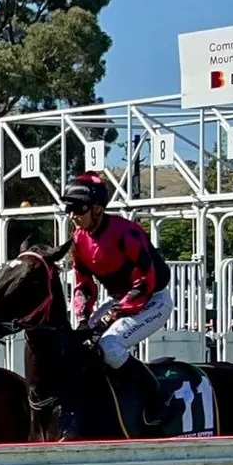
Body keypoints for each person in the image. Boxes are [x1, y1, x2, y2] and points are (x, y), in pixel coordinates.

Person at [62, 171, 176, 426]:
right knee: (80, 345)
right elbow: (83, 284)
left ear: (98, 210)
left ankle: (158, 398)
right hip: (120, 300)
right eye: (68, 209)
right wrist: (83, 318)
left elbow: (144, 284)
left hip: (152, 301)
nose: (72, 215)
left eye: (78, 208)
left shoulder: (128, 233)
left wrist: (110, 317)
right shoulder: (79, 241)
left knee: (110, 347)